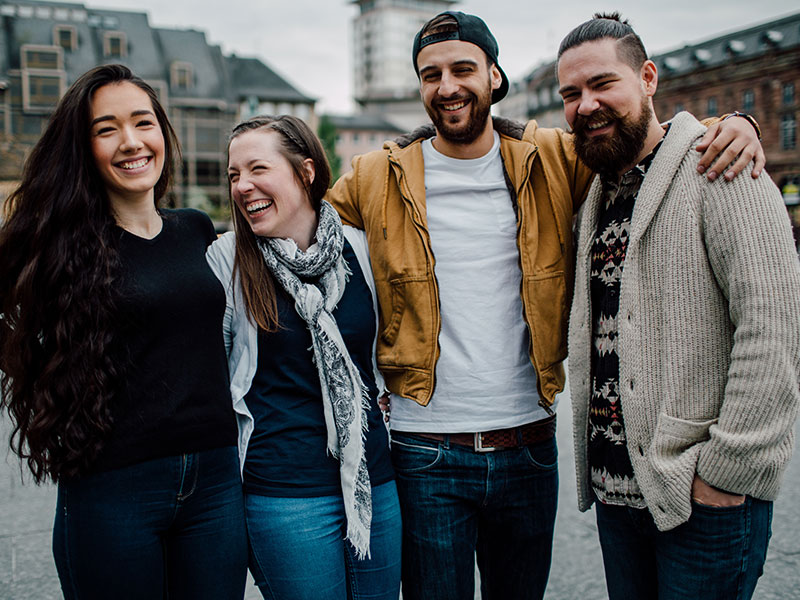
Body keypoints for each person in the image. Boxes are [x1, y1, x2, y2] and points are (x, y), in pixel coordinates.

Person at [326, 10, 766, 600]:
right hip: (424, 449)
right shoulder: (375, 176)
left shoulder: (555, 157)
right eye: (431, 75)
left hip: (528, 448)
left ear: (494, 76)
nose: (448, 86)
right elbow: (307, 231)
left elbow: (649, 143)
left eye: (463, 69)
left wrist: (735, 124)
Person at [558, 13, 800, 600]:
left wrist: (727, 473)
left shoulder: (720, 165)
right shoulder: (597, 190)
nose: (586, 105)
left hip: (704, 503)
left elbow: (774, 327)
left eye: (602, 83)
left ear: (648, 78)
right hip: (619, 497)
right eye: (571, 93)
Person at [0, 64, 247, 600]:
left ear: (162, 131)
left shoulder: (196, 229)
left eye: (143, 122)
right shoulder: (60, 247)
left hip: (215, 482)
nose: (131, 141)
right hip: (114, 487)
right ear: (82, 147)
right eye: (106, 129)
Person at [206, 115, 401, 600]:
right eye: (234, 175)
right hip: (285, 496)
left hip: (373, 483)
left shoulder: (358, 248)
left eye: (258, 169)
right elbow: (208, 378)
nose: (242, 186)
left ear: (306, 171)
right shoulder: (227, 259)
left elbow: (380, 357)